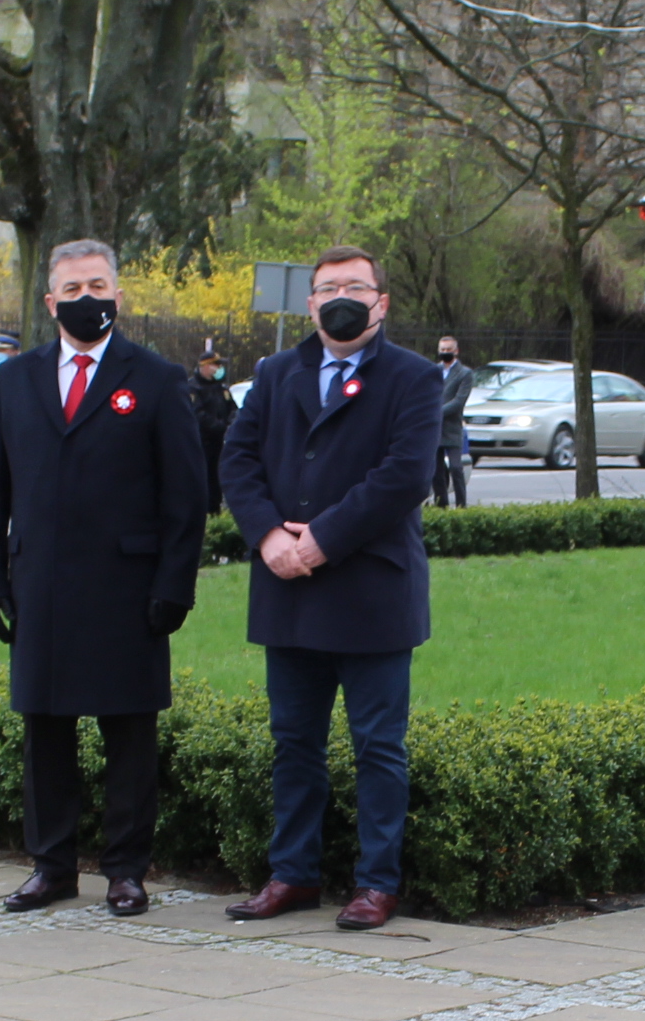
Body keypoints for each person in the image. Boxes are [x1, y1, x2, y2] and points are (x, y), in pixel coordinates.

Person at [0, 241, 207, 919]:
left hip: (127, 590)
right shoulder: (14, 382)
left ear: (119, 295)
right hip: (40, 584)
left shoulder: (156, 379)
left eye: (97, 285)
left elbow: (185, 498)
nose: (85, 299)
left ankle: (126, 871)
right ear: (50, 302)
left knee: (128, 735)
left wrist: (175, 586)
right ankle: (52, 867)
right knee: (46, 732)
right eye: (71, 289)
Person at [221, 245, 445, 931]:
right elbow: (237, 459)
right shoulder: (276, 371)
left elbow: (405, 476)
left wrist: (319, 540)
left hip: (372, 591)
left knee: (378, 745)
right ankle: (293, 873)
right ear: (309, 302)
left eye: (354, 286)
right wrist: (268, 538)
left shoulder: (414, 378)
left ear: (381, 301)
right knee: (294, 743)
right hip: (287, 589)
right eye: (326, 289)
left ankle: (377, 883)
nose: (339, 297)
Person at [190, 341, 237, 515]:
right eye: (216, 365)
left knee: (216, 479)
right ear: (205, 366)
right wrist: (220, 427)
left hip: (219, 442)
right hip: (201, 442)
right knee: (202, 480)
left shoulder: (221, 388)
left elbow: (232, 408)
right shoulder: (193, 388)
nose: (219, 368)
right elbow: (198, 414)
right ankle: (202, 512)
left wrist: (230, 423)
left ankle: (215, 511)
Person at [431, 335, 476, 507]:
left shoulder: (465, 373)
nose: (445, 353)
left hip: (452, 427)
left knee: (456, 468)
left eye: (448, 350)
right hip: (435, 429)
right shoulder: (434, 371)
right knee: (436, 471)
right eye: (442, 350)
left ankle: (461, 506)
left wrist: (435, 412)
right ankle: (441, 505)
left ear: (456, 351)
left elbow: (459, 401)